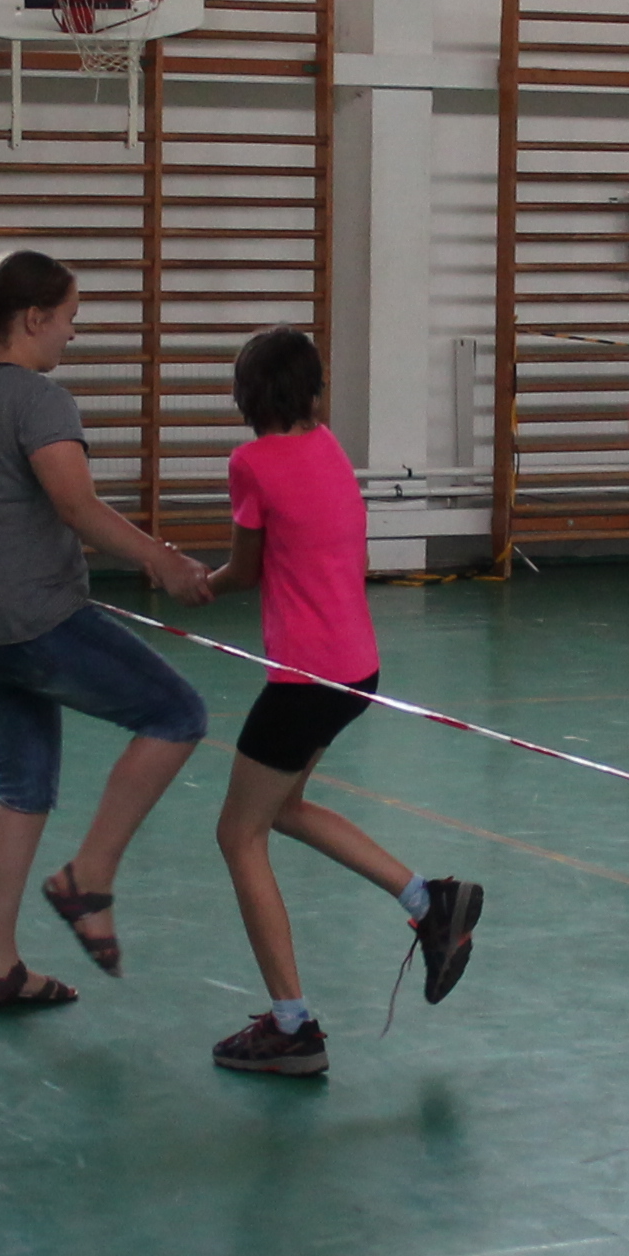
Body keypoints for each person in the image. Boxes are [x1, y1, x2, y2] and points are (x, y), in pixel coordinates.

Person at [0, 251, 218, 1011]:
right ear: (35, 318)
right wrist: (163, 561)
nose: (72, 334)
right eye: (70, 318)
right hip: (33, 620)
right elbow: (76, 506)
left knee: (23, 790)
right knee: (177, 714)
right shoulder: (40, 401)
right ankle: (89, 876)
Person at [198, 327, 483, 1078]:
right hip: (355, 671)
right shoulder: (327, 447)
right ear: (313, 392)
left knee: (237, 834)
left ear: (247, 398)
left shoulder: (251, 463)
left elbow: (245, 569)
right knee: (283, 809)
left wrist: (200, 583)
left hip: (302, 680)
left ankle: (293, 1026)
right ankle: (427, 900)